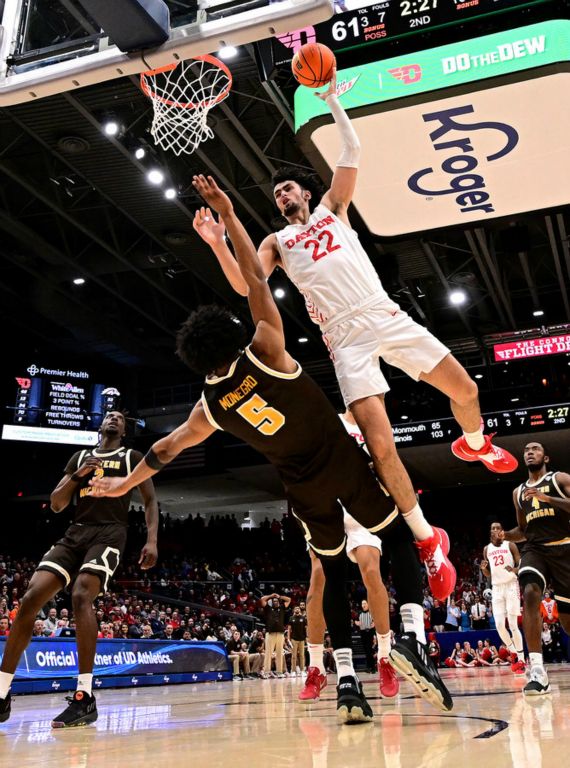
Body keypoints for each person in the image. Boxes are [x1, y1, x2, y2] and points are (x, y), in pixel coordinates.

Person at [89, 177, 410, 724]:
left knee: (329, 577)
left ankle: (351, 675)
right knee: (393, 540)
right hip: (338, 459)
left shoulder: (209, 406)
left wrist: (121, 484)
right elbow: (257, 280)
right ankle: (402, 636)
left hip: (301, 485)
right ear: (231, 334)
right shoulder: (265, 346)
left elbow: (165, 450)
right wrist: (229, 217)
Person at [194, 72, 519, 598]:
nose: (283, 196)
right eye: (276, 194)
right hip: (344, 341)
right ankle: (427, 540)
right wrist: (216, 241)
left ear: (303, 191)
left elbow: (352, 148)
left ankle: (477, 443)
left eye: (288, 188)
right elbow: (245, 283)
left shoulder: (333, 209)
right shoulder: (277, 240)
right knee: (379, 445)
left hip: (384, 313)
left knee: (467, 391)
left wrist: (330, 103)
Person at [0, 411, 159, 727]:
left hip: (111, 531)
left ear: (124, 430)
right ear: (99, 426)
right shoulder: (80, 457)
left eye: (119, 418)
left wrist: (152, 540)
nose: (114, 419)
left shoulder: (131, 456)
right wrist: (77, 475)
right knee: (31, 598)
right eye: (108, 416)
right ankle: (2, 692)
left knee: (81, 594)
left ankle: (84, 697)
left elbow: (151, 499)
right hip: (76, 532)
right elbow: (58, 503)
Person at [298, 409, 452, 710]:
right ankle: (316, 667)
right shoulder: (332, 422)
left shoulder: (378, 425)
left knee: (371, 571)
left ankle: (384, 656)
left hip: (363, 506)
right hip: (330, 507)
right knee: (319, 580)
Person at [504, 441, 570, 695]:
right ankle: (538, 672)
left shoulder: (559, 479)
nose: (530, 452)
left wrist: (548, 499)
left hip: (565, 548)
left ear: (546, 457)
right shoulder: (518, 492)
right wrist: (505, 537)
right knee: (530, 592)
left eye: (535, 449)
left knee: (566, 623)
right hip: (535, 550)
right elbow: (523, 531)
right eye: (526, 450)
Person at [480, 522, 525, 674]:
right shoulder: (487, 549)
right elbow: (488, 574)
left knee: (513, 625)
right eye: (493, 528)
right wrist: (483, 569)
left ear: (502, 530)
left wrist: (514, 569)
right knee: (499, 625)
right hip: (497, 588)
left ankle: (522, 660)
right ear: (490, 532)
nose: (495, 530)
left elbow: (521, 565)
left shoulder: (510, 545)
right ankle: (514, 652)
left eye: (498, 527)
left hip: (511, 585)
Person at [260, 593, 291, 678]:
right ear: (271, 602)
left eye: (277, 601)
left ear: (279, 602)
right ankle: (267, 672)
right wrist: (270, 596)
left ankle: (279, 672)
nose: (275, 602)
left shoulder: (282, 608)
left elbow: (289, 600)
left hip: (280, 634)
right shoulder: (268, 608)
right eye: (274, 601)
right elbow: (262, 599)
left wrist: (280, 596)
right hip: (270, 634)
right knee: (268, 653)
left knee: (280, 653)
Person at [288, 605, 307, 676]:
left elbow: (306, 629)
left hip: (302, 639)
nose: (297, 609)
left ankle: (302, 670)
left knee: (302, 655)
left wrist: (306, 637)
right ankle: (293, 671)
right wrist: (288, 639)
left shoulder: (303, 618)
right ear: (294, 610)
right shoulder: (291, 618)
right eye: (296, 608)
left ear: (299, 610)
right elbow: (289, 629)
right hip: (294, 639)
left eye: (298, 608)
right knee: (294, 656)